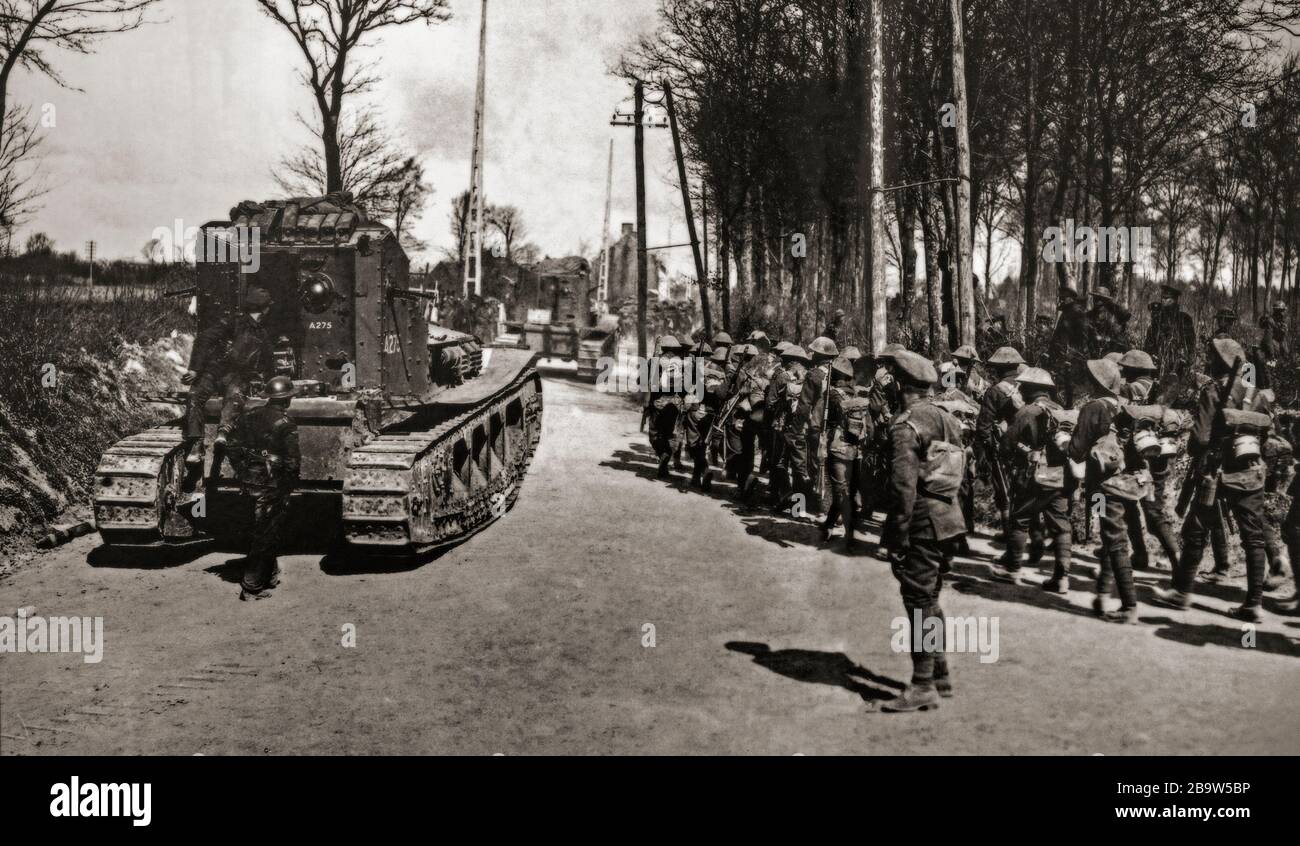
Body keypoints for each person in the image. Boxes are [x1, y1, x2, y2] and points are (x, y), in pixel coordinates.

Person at [1153, 339, 1272, 622]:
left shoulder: (1212, 390)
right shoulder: (1257, 392)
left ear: (1217, 362)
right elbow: (1267, 431)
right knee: (1253, 537)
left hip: (1217, 474)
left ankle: (1181, 593)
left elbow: (1200, 439)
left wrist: (1199, 451)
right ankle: (1254, 604)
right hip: (1251, 470)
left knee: (1195, 530)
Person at [881, 351, 967, 713]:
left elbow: (903, 489)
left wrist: (897, 537)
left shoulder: (906, 425)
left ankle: (922, 685)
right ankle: (940, 673)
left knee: (918, 601)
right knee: (929, 598)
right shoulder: (949, 419)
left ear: (901, 386)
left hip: (921, 521)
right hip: (949, 518)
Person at [1069, 358, 1148, 623]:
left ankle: (1129, 606)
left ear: (1096, 382)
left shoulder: (1093, 407)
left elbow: (1076, 451)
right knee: (1109, 536)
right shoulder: (1126, 407)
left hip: (1102, 488)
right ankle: (1102, 593)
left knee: (1114, 540)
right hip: (1126, 485)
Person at [999, 367, 1074, 593]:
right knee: (1061, 525)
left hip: (1031, 475)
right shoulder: (1061, 411)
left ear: (1029, 389)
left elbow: (1005, 445)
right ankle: (1062, 578)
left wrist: (1017, 453)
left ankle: (1012, 570)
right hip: (1059, 475)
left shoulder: (1026, 412)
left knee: (1020, 520)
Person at [228, 374, 300, 601]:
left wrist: (241, 469)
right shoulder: (286, 424)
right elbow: (292, 461)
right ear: (287, 399)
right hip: (272, 483)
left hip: (250, 479)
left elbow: (232, 446)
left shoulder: (249, 416)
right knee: (265, 533)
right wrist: (289, 487)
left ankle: (270, 575)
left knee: (267, 527)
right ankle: (250, 587)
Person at [1118, 350, 1180, 571]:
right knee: (1154, 510)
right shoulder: (1159, 389)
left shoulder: (1128, 389)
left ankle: (1143, 554)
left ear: (1132, 370)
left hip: (1135, 456)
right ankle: (1171, 557)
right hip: (1161, 458)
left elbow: (1121, 418)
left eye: (1124, 368)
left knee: (1129, 504)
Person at [820, 356, 870, 552]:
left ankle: (849, 535)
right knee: (848, 490)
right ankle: (829, 525)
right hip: (856, 449)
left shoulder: (831, 395)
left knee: (841, 491)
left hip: (837, 447)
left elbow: (824, 421)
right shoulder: (859, 397)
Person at [216, 287, 277, 448]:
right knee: (236, 388)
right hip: (233, 376)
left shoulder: (240, 324)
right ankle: (224, 430)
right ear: (264, 309)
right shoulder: (248, 328)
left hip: (229, 375)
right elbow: (245, 360)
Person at [975, 347, 1026, 539]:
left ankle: (1009, 535)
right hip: (1028, 449)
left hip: (1003, 449)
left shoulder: (995, 391)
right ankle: (1028, 536)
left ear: (998, 369)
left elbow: (983, 427)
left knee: (1004, 493)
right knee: (1024, 491)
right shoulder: (1029, 387)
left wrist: (988, 450)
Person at [766, 344, 810, 508]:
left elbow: (770, 402)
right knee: (799, 467)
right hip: (802, 428)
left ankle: (783, 496)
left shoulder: (781, 376)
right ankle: (800, 508)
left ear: (788, 362)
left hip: (781, 425)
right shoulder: (808, 378)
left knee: (779, 462)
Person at [802, 336, 840, 517]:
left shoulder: (814, 374)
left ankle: (810, 506)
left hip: (816, 425)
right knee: (831, 466)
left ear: (818, 355)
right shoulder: (840, 373)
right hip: (836, 428)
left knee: (814, 465)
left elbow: (804, 404)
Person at [647, 336, 687, 479]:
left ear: (662, 347)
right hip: (674, 405)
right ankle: (665, 463)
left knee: (654, 435)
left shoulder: (655, 361)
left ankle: (663, 454)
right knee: (668, 434)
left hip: (658, 403)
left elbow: (642, 381)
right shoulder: (682, 363)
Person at [1143, 284, 1196, 382]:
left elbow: (1191, 343)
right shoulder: (1157, 320)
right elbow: (1149, 343)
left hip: (1179, 368)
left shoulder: (1184, 319)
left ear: (1175, 300)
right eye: (1162, 298)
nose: (1163, 300)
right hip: (1158, 367)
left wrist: (1186, 360)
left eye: (1167, 298)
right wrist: (1152, 355)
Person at [1047, 287, 1090, 406]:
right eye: (1060, 298)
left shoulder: (1077, 312)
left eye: (1063, 298)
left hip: (1072, 356)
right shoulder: (1065, 312)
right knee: (1060, 384)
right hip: (1061, 354)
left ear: (1070, 299)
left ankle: (1070, 408)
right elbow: (1058, 334)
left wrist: (1073, 353)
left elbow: (1083, 337)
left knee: (1071, 386)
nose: (1060, 301)